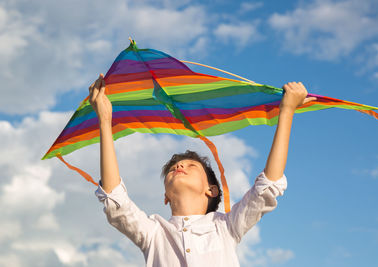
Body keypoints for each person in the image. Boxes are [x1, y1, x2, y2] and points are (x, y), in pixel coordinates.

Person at [90, 73, 315, 266]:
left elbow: (268, 186)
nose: (178, 166)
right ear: (165, 197)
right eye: (172, 169)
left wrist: (286, 110)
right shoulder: (154, 232)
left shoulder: (226, 227)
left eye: (191, 166)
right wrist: (105, 119)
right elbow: (115, 200)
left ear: (211, 190)